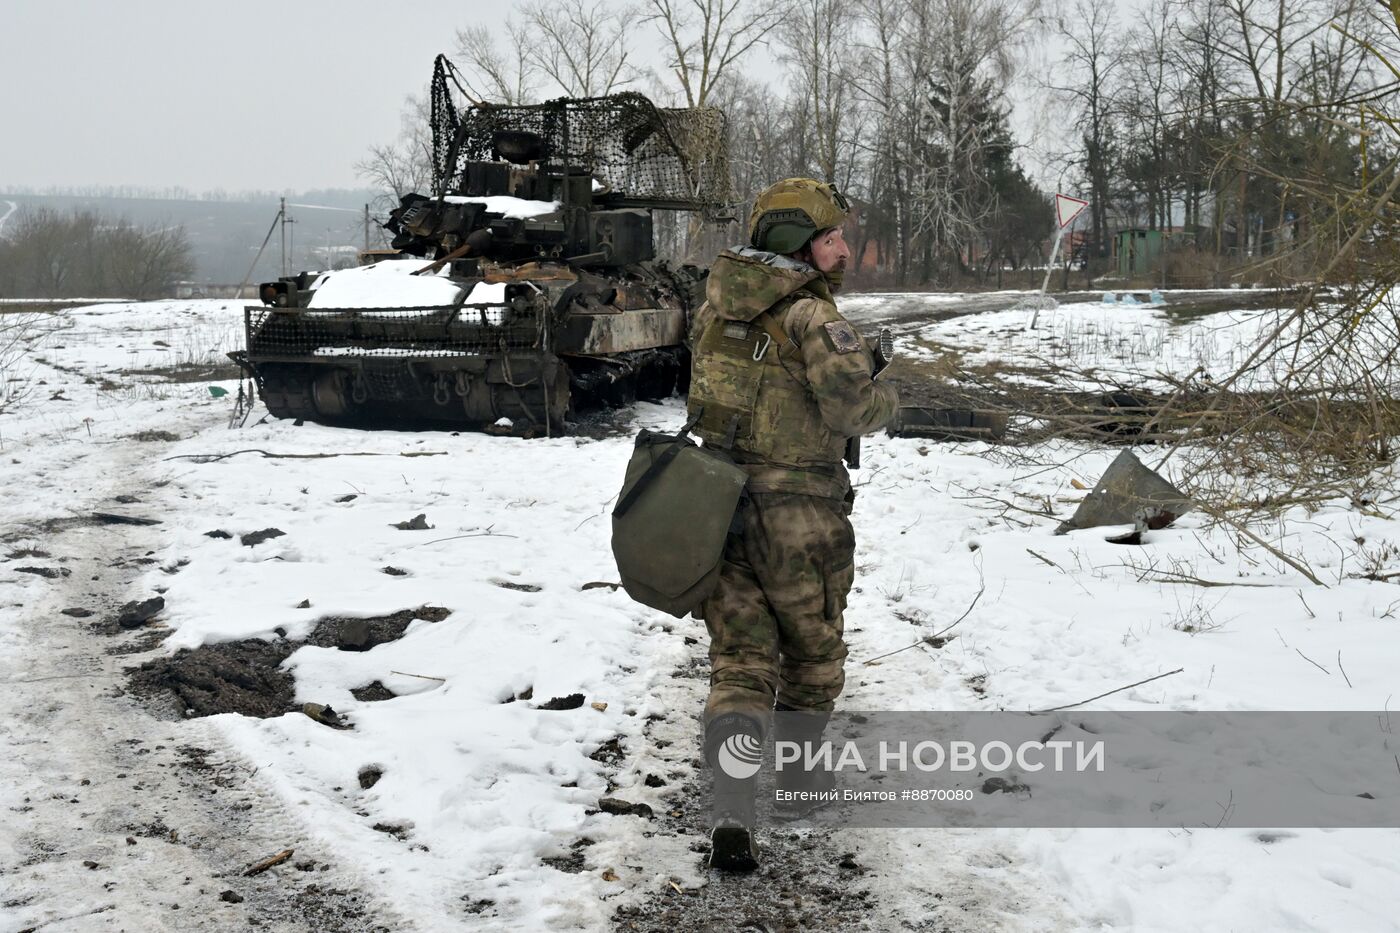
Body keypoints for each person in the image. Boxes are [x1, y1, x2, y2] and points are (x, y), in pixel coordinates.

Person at [686, 177, 898, 871]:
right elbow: (852, 412)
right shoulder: (814, 319)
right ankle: (803, 785)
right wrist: (883, 386)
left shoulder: (713, 310)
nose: (842, 248)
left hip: (718, 508)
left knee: (740, 663)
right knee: (811, 659)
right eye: (831, 237)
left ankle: (734, 807)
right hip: (802, 516)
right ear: (796, 245)